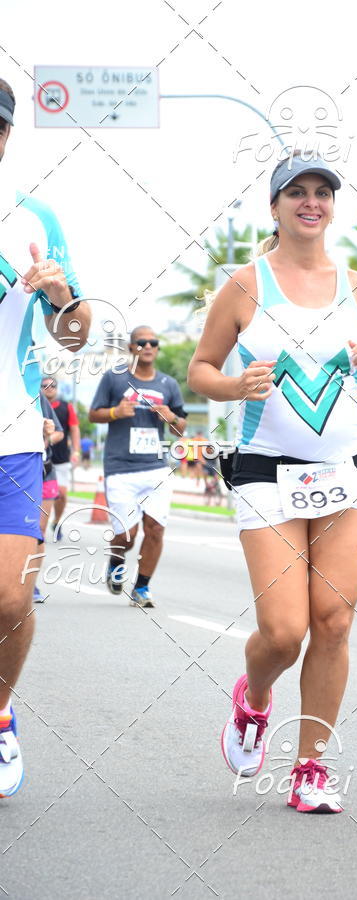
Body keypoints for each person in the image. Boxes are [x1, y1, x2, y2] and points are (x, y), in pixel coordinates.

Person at [188, 153, 357, 812]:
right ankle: (252, 703)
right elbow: (200, 369)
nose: (312, 203)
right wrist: (233, 385)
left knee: (332, 623)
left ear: (333, 206)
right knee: (284, 631)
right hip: (266, 474)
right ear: (274, 207)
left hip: (348, 472)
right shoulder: (246, 286)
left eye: (322, 193)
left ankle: (310, 768)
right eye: (297, 193)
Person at [0, 78, 90, 797]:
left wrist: (61, 297)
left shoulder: (34, 218)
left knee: (9, 601)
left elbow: (77, 332)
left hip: (12, 435)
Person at [89, 326, 187, 608]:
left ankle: (142, 587)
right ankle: (116, 560)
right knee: (126, 535)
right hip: (120, 468)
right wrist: (114, 412)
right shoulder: (115, 378)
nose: (148, 346)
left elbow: (181, 428)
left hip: (155, 467)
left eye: (153, 343)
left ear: (157, 348)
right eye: (141, 342)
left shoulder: (168, 384)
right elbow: (94, 414)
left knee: (155, 529)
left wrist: (171, 417)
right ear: (131, 347)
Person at [40, 377, 81, 540]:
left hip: (61, 457)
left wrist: (76, 451)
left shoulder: (66, 407)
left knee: (62, 493)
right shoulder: (37, 405)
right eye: (45, 386)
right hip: (41, 459)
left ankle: (56, 521)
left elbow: (74, 429)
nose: (49, 388)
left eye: (52, 386)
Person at [34, 394, 64, 603]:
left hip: (44, 471)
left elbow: (58, 432)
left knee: (38, 532)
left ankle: (30, 583)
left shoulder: (36, 395)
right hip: (11, 471)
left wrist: (46, 438)